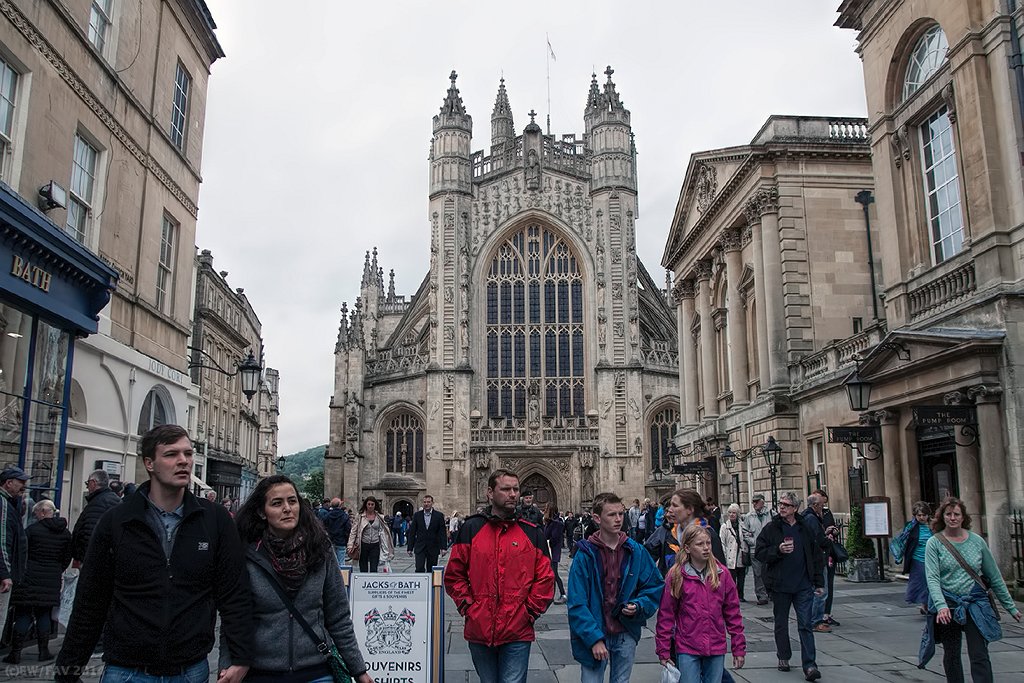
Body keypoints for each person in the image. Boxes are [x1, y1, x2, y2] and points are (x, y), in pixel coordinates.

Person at [54, 424, 252, 683]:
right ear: (149, 463)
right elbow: (91, 600)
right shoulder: (117, 522)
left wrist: (240, 657)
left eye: (188, 454)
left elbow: (234, 593)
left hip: (190, 670)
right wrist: (68, 670)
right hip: (126, 671)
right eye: (171, 454)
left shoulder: (214, 520)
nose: (183, 461)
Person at [228, 475, 373, 683]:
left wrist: (359, 670)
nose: (287, 508)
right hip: (262, 672)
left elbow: (338, 617)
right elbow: (234, 618)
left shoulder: (320, 549)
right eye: (277, 503)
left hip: (316, 670)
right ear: (261, 511)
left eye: (292, 501)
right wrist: (228, 666)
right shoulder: (247, 554)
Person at [444, 469, 554, 683]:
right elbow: (454, 575)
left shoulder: (532, 533)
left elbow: (546, 579)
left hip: (517, 628)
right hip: (480, 626)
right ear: (490, 493)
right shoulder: (471, 528)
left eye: (516, 489)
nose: (513, 494)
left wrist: (529, 613)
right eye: (506, 489)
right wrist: (468, 606)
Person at [922, 496, 1021, 682]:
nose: (952, 518)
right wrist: (941, 605)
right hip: (949, 604)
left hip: (975, 603)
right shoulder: (934, 543)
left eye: (956, 514)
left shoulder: (977, 541)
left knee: (979, 653)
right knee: (951, 654)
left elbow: (994, 576)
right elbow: (933, 578)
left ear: (963, 517)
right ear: (942, 517)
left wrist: (1011, 607)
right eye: (948, 514)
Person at [568, 493, 663, 683]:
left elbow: (654, 586)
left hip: (625, 632)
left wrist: (639, 605)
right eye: (612, 515)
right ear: (596, 518)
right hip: (595, 633)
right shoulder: (585, 555)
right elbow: (577, 602)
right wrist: (593, 638)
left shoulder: (636, 551)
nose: (618, 519)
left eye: (621, 513)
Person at [656, 525, 746, 683]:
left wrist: (738, 647)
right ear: (688, 548)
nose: (706, 548)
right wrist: (663, 649)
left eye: (708, 543)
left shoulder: (722, 574)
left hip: (716, 645)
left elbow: (733, 613)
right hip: (687, 645)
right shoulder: (677, 575)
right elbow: (666, 615)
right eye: (700, 544)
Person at [755, 491, 825, 681]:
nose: (782, 507)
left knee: (805, 625)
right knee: (781, 623)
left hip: (803, 585)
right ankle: (783, 656)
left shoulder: (805, 528)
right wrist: (777, 550)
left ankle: (810, 665)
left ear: (795, 508)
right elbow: (760, 553)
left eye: (786, 505)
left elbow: (816, 556)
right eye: (781, 504)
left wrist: (819, 582)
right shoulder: (772, 528)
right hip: (780, 584)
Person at [2, 499, 70, 663]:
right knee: (44, 613)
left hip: (29, 576)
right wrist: (57, 569)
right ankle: (43, 651)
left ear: (42, 512)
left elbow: (22, 552)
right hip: (51, 577)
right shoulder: (65, 533)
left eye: (36, 513)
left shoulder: (32, 530)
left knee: (24, 613)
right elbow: (67, 556)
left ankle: (16, 652)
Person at [70, 470, 121, 570]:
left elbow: (90, 535)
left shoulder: (98, 503)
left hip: (96, 564)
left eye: (87, 484)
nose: (87, 487)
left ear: (93, 483)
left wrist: (84, 560)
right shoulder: (114, 500)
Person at [0, 466, 28, 644]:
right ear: (8, 483)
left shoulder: (9, 503)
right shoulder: (3, 504)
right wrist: (5, 573)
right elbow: (3, 540)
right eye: (21, 483)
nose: (23, 488)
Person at [800, 493, 834, 633]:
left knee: (815, 590)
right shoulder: (812, 519)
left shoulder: (805, 517)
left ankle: (812, 619)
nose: (822, 507)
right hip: (817, 560)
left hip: (812, 559)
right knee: (820, 590)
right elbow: (817, 540)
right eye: (821, 505)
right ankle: (816, 621)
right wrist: (828, 539)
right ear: (815, 505)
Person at [894, 501, 933, 613]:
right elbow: (901, 541)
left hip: (932, 559)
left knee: (931, 582)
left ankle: (927, 604)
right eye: (919, 515)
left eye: (924, 515)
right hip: (918, 559)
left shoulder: (933, 527)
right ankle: (924, 605)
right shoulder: (911, 527)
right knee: (921, 582)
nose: (921, 517)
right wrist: (899, 555)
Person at [812, 489, 841, 627]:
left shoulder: (827, 513)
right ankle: (817, 617)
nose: (818, 502)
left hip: (829, 552)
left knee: (828, 583)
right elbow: (816, 535)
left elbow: (833, 527)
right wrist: (825, 534)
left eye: (819, 499)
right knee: (820, 586)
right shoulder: (811, 516)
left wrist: (834, 531)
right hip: (820, 553)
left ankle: (826, 613)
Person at [346, 496, 393, 573]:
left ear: (375, 505)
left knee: (374, 567)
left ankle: (372, 583)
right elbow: (353, 531)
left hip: (375, 544)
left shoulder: (379, 516)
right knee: (363, 567)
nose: (370, 506)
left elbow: (385, 531)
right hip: (363, 544)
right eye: (369, 504)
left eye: (372, 504)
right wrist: (350, 545)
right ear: (366, 505)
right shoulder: (360, 516)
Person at [742, 493, 772, 605]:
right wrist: (753, 542)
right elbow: (745, 532)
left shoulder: (770, 514)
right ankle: (761, 595)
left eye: (756, 501)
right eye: (753, 502)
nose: (754, 504)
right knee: (758, 573)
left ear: (762, 502)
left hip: (769, 548)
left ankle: (771, 592)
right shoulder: (749, 516)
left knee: (769, 571)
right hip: (755, 549)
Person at [408, 494, 447, 573]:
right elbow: (412, 532)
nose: (426, 504)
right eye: (425, 502)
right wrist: (410, 548)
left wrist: (444, 548)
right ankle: (421, 584)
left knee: (431, 570)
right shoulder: (417, 515)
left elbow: (442, 533)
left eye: (428, 502)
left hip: (433, 547)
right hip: (420, 547)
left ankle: (430, 585)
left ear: (432, 503)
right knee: (419, 568)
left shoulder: (439, 516)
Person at [720, 503, 747, 602]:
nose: (732, 515)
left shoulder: (742, 525)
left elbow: (745, 539)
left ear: (737, 514)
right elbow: (722, 542)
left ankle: (741, 595)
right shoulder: (724, 527)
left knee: (741, 577)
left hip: (740, 555)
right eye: (730, 512)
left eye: (734, 513)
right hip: (730, 556)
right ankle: (732, 596)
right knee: (731, 578)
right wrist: (724, 556)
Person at [543, 503, 566, 605]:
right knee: (552, 574)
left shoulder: (556, 524)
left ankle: (563, 594)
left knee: (555, 574)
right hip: (549, 551)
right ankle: (551, 596)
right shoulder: (549, 523)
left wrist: (545, 540)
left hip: (553, 552)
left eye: (546, 509)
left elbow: (554, 538)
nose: (544, 510)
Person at [322, 497, 351, 567]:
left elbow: (323, 528)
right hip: (341, 541)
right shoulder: (345, 516)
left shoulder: (327, 516)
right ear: (340, 505)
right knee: (341, 564)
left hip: (330, 541)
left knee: (331, 564)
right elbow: (348, 529)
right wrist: (347, 541)